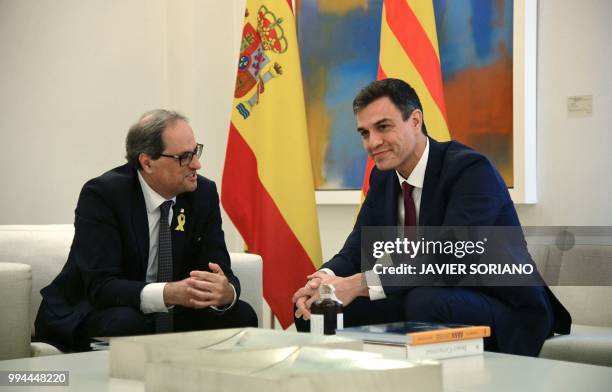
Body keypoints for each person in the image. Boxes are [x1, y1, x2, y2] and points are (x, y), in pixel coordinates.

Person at [293, 79, 571, 356]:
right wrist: (323, 280)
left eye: (383, 127)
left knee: (425, 302)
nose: (372, 142)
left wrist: (355, 284)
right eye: (364, 133)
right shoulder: (383, 177)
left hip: (501, 303)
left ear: (415, 121)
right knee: (312, 311)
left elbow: (448, 257)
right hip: (418, 295)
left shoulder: (470, 169)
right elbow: (357, 248)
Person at [35, 109, 257, 351]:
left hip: (169, 311)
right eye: (184, 157)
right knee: (127, 323)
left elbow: (220, 270)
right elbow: (102, 286)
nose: (197, 164)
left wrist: (225, 294)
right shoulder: (103, 195)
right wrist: (169, 293)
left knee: (242, 315)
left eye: (196, 152)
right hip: (101, 308)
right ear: (147, 162)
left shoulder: (202, 194)